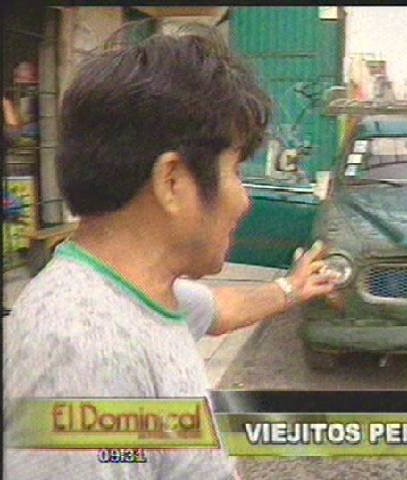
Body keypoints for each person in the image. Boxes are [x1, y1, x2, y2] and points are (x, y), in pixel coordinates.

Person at [3, 26, 338, 479]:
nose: (244, 200)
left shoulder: (138, 295)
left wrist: (291, 288)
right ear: (173, 182)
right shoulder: (85, 350)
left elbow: (220, 309)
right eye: (236, 171)